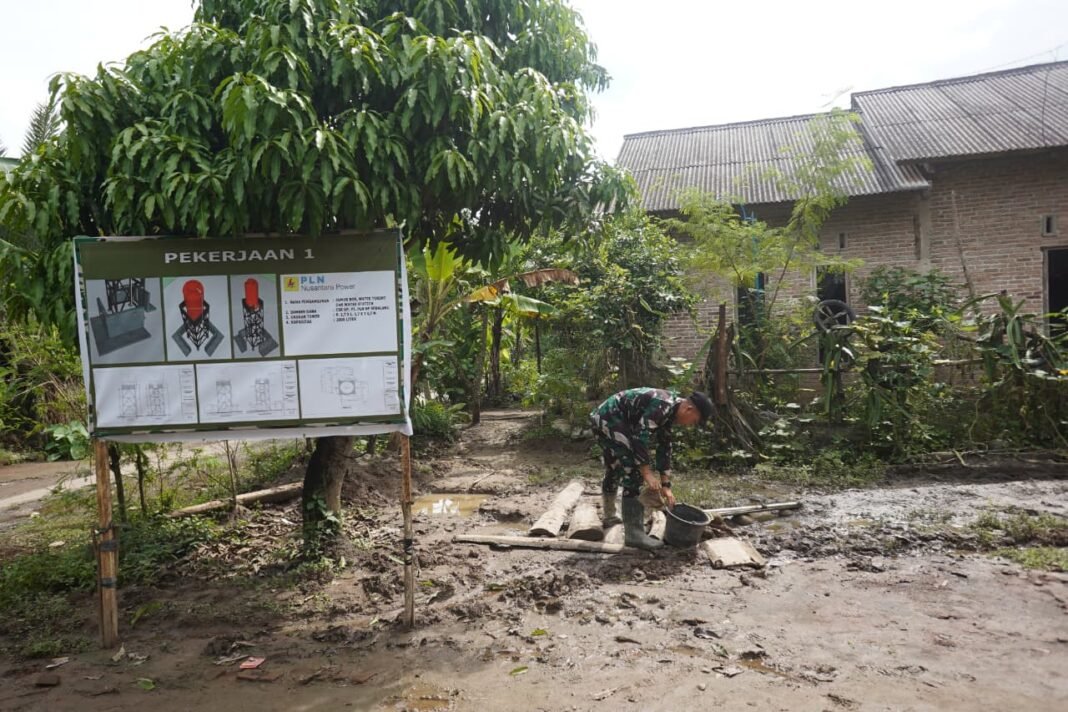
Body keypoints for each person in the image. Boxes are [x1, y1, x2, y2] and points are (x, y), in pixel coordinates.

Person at [589, 388, 714, 550]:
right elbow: (639, 437)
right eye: (694, 421)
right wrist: (646, 472)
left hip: (609, 418)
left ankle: (610, 516)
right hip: (609, 417)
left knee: (616, 466)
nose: (690, 425)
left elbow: (665, 448)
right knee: (633, 471)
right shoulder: (662, 406)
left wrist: (666, 486)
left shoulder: (670, 413)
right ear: (689, 409)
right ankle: (634, 534)